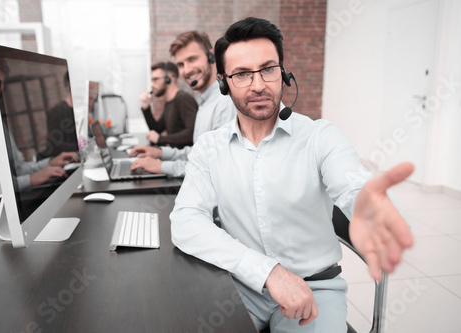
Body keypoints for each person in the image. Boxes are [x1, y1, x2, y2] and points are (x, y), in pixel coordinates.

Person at [170, 17, 414, 333]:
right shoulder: (208, 148)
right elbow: (185, 221)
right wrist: (268, 272)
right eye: (242, 74)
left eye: (268, 69)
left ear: (283, 73)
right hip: (243, 286)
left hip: (315, 290)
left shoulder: (320, 137)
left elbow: (353, 184)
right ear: (223, 82)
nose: (258, 85)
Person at [129, 31, 235, 177]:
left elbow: (214, 167)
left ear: (211, 56)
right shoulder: (205, 102)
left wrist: (162, 166)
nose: (187, 70)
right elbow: (199, 153)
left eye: (192, 59)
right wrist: (160, 153)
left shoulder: (224, 102)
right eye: (181, 64)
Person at [139, 62, 198, 149]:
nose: (152, 85)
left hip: (186, 158)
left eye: (155, 79)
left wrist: (161, 139)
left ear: (169, 79)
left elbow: (192, 133)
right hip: (175, 157)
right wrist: (146, 107)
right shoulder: (170, 101)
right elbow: (157, 129)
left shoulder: (183, 99)